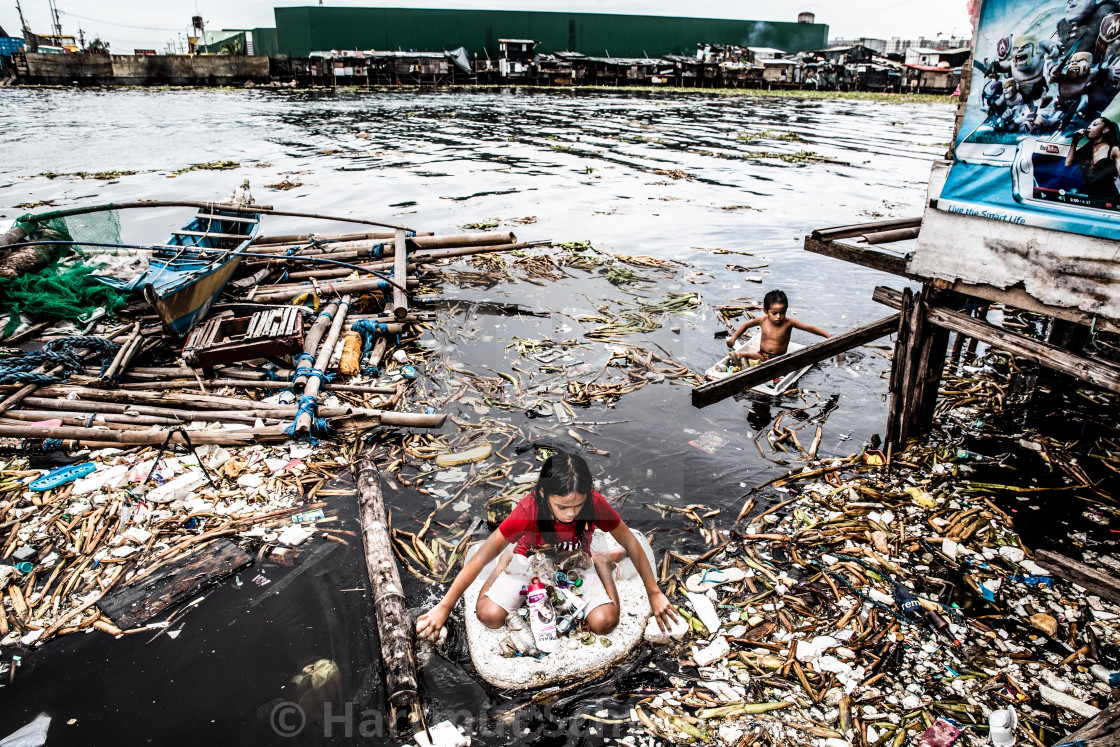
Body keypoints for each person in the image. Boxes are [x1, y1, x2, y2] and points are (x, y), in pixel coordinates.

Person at [415, 451, 679, 642]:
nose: (570, 514)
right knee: (489, 616)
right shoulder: (528, 510)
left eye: (577, 505)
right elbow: (480, 556)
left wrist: (654, 593)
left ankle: (602, 563)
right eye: (562, 507)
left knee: (605, 623)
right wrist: (445, 606)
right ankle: (504, 563)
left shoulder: (594, 503)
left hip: (575, 562)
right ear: (543, 494)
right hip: (529, 560)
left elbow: (629, 541)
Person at [726, 289, 831, 362]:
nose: (779, 317)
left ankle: (744, 354)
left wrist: (828, 336)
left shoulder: (789, 323)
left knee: (743, 355)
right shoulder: (762, 320)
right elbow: (745, 325)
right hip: (762, 354)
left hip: (779, 358)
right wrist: (733, 339)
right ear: (766, 311)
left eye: (782, 312)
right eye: (774, 313)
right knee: (748, 358)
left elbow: (810, 328)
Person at [1065, 116, 1120, 200]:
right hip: (1089, 196)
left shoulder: (1113, 149)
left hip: (1109, 197)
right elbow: (1068, 163)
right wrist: (1075, 141)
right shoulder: (1087, 149)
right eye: (1090, 124)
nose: (1089, 127)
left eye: (1095, 124)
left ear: (1105, 130)